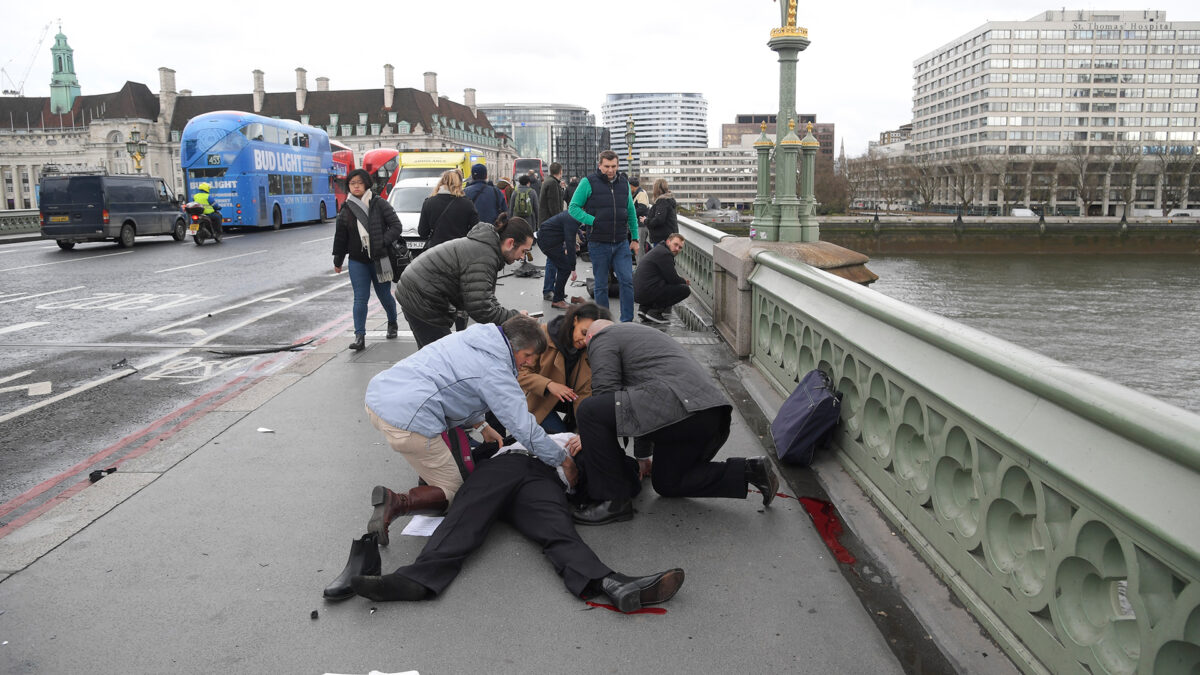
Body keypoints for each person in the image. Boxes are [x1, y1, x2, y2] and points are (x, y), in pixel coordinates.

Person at [350, 434, 684, 613]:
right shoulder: (567, 438)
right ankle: (414, 581)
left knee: (558, 532)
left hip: (544, 483)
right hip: (510, 464)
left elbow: (621, 482)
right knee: (465, 520)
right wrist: (608, 452)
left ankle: (612, 583)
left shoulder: (602, 469)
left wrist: (639, 473)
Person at [362, 315, 578, 546]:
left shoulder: (476, 338)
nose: (528, 364)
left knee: (439, 459)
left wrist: (481, 425)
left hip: (379, 397)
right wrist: (563, 461)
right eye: (527, 356)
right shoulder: (496, 370)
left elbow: (457, 384)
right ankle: (397, 502)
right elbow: (524, 427)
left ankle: (428, 476)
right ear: (515, 346)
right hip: (409, 418)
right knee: (454, 493)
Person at [570, 320, 779, 525]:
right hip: (707, 415)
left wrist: (590, 437)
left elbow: (605, 393)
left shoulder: (602, 337)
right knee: (668, 483)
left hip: (680, 408)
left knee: (590, 410)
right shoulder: (642, 338)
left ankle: (613, 501)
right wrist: (642, 457)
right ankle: (749, 470)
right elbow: (635, 406)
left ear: (591, 337)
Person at [394, 215, 535, 348]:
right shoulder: (484, 255)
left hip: (420, 292)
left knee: (436, 355)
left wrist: (514, 317)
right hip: (420, 298)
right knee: (443, 358)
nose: (523, 257)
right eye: (524, 251)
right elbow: (482, 310)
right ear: (510, 243)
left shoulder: (486, 249)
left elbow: (485, 298)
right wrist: (516, 318)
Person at [332, 168, 402, 351]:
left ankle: (393, 322)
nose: (355, 186)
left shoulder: (379, 203)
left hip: (380, 258)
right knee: (360, 298)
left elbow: (396, 226)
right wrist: (338, 260)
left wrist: (382, 242)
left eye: (359, 183)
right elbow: (341, 236)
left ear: (366, 184)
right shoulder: (347, 207)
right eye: (352, 183)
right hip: (357, 260)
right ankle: (360, 336)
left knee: (384, 295)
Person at [568, 150, 640, 323]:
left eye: (614, 166)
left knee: (627, 281)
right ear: (599, 165)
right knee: (601, 285)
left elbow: (630, 211)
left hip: (621, 242)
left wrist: (635, 238)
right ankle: (604, 322)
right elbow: (573, 208)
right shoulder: (588, 182)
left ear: (618, 165)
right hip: (599, 243)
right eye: (606, 166)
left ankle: (627, 321)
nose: (610, 170)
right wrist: (593, 220)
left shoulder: (623, 183)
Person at [519, 302, 610, 433]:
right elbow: (520, 372)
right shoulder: (544, 334)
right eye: (583, 333)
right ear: (575, 320)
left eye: (591, 337)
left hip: (571, 402)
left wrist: (584, 431)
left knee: (578, 441)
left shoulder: (592, 348)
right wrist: (549, 385)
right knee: (559, 437)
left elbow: (585, 393)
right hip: (538, 399)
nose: (585, 341)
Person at [634, 233, 690, 324]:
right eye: (675, 245)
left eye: (680, 248)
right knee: (685, 289)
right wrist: (684, 281)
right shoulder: (665, 254)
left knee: (661, 283)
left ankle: (644, 309)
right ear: (668, 242)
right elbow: (673, 279)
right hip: (645, 292)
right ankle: (655, 312)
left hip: (638, 293)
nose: (677, 249)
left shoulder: (659, 249)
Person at [419, 169, 479, 250]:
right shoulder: (467, 204)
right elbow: (475, 230)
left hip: (436, 251)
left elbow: (423, 232)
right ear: (459, 184)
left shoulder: (429, 203)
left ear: (442, 182)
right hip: (459, 250)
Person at [536, 210, 583, 310]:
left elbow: (572, 233)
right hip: (548, 242)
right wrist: (573, 268)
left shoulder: (572, 214)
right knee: (565, 267)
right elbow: (570, 243)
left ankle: (557, 294)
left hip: (549, 239)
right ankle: (557, 299)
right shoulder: (572, 219)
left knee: (560, 264)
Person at [538, 163, 566, 300]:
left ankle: (553, 289)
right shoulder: (553, 184)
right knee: (553, 259)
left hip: (545, 225)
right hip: (551, 228)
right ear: (560, 172)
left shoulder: (548, 182)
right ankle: (549, 289)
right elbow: (555, 207)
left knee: (553, 258)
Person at [642, 178, 678, 251]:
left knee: (659, 259)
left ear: (656, 189)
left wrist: (646, 221)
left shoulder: (662, 201)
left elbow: (659, 219)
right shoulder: (669, 200)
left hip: (662, 238)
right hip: (669, 236)